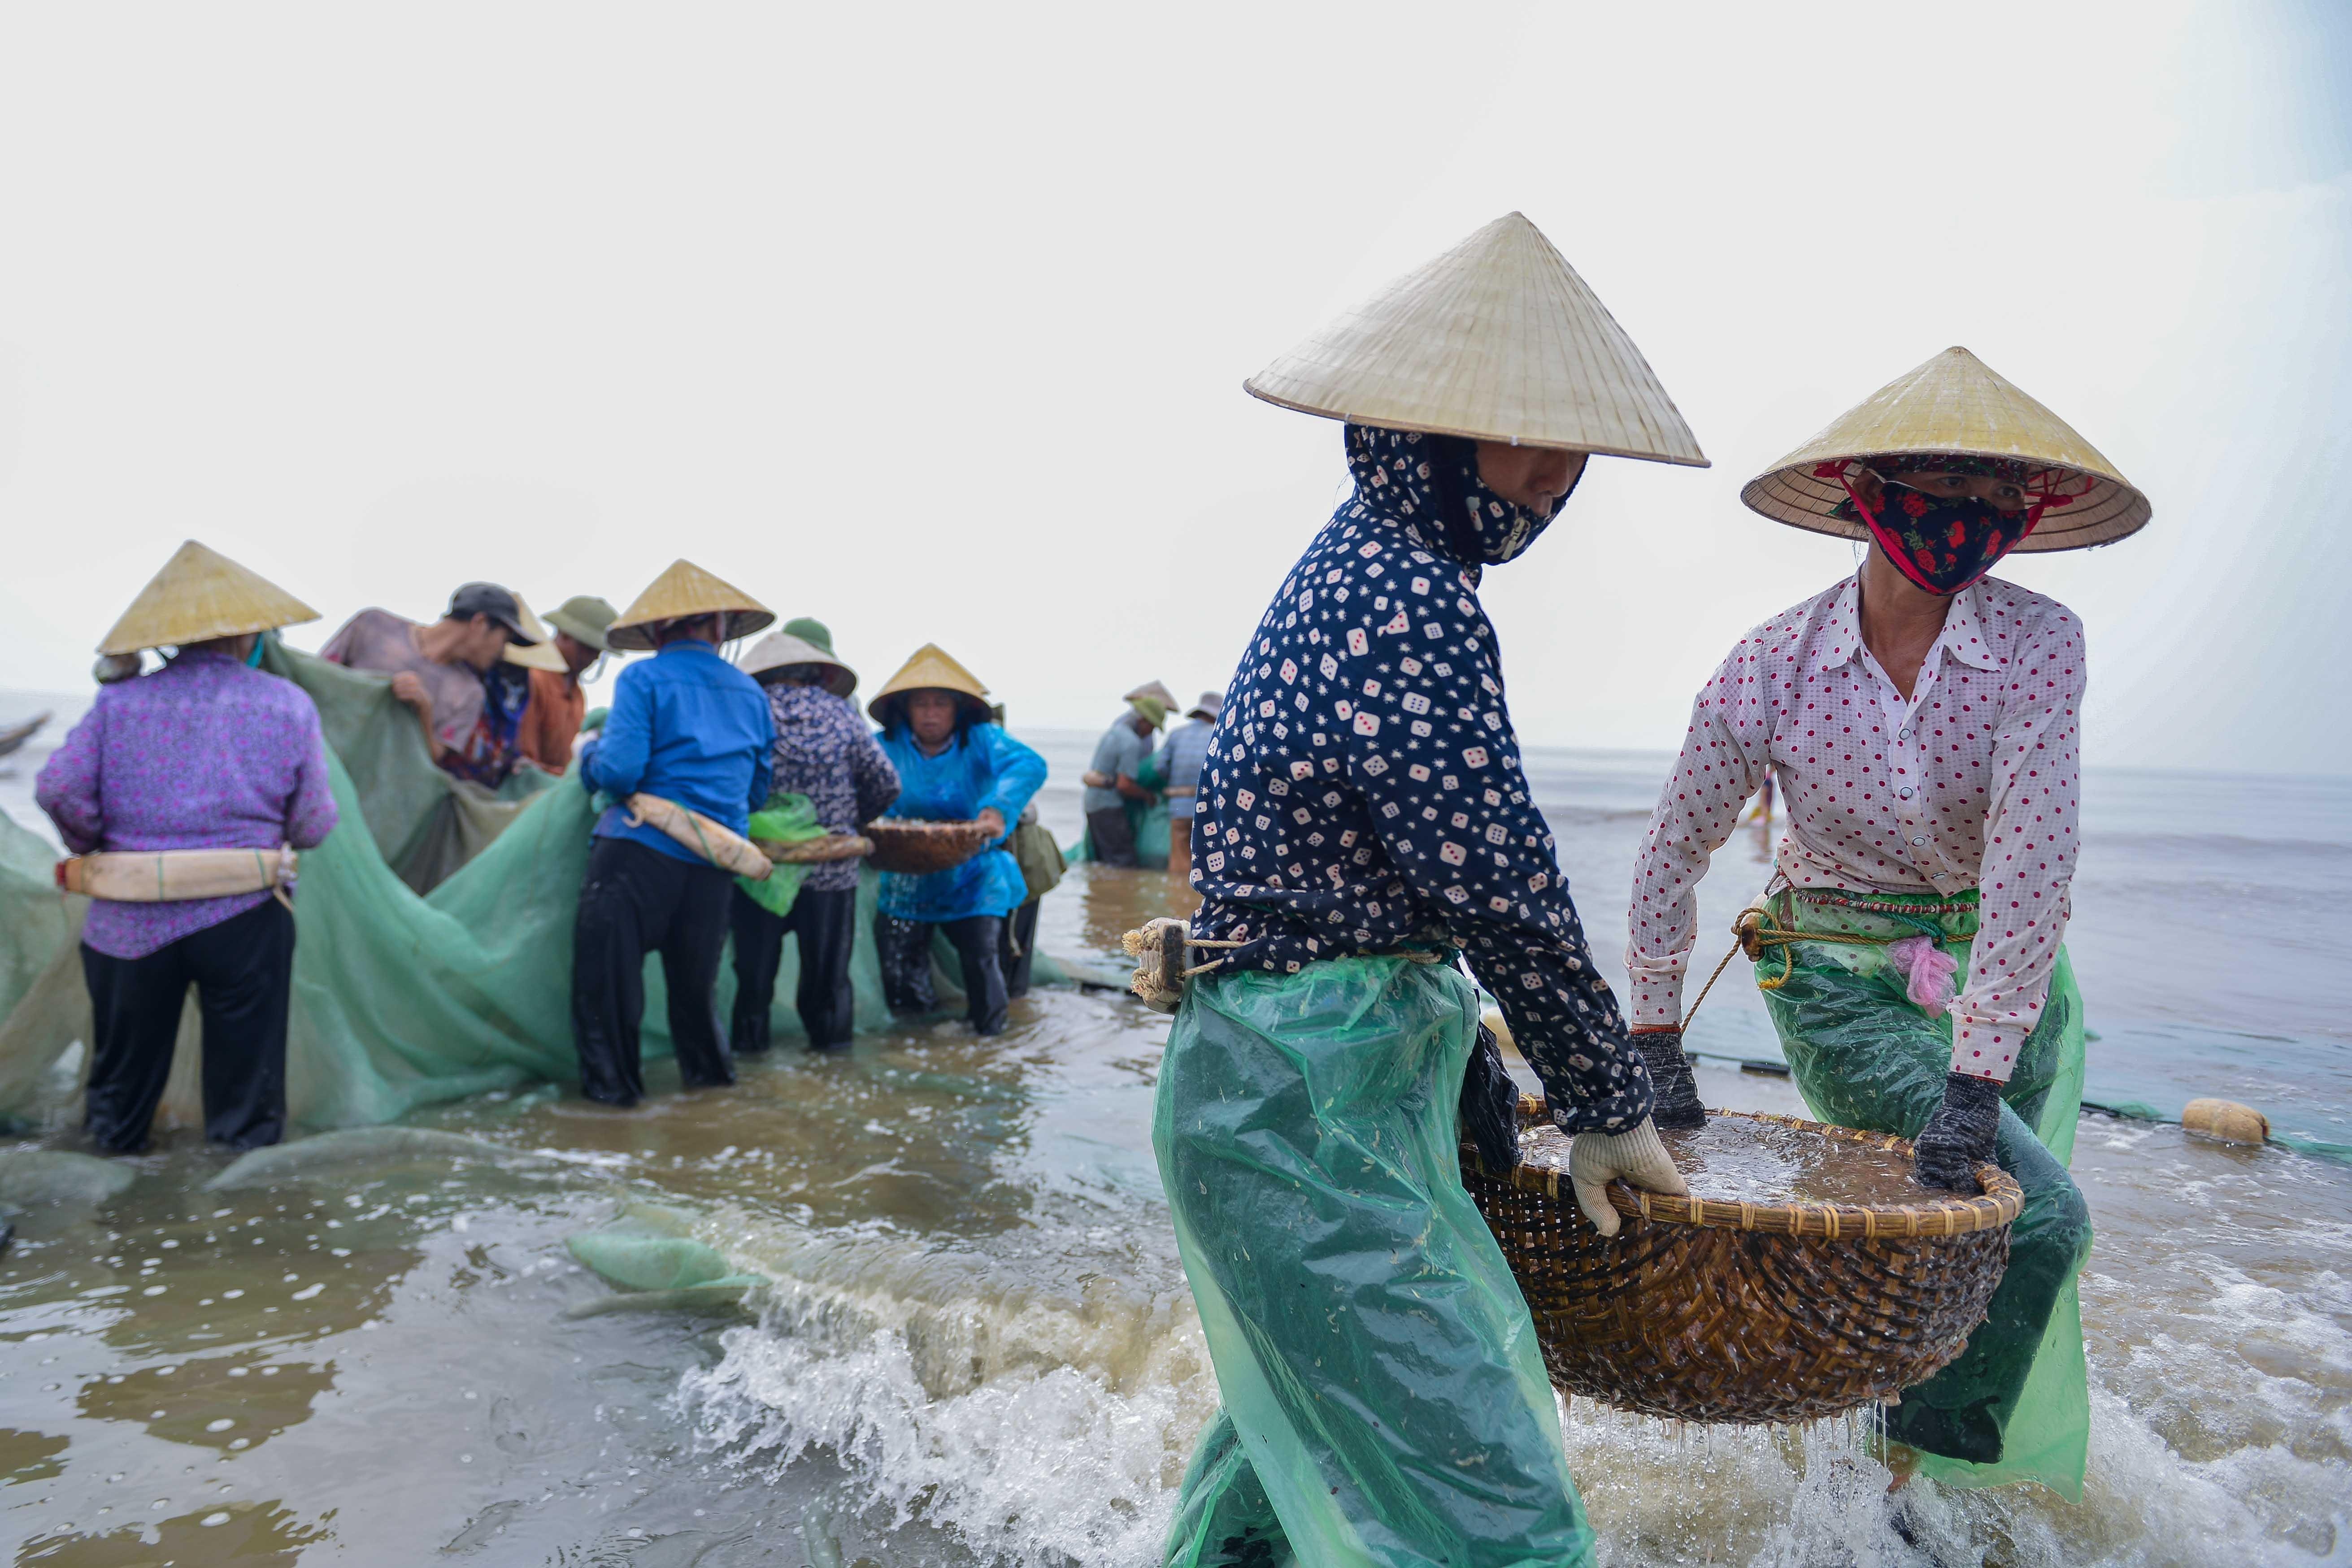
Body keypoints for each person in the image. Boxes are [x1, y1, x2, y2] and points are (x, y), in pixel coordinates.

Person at [1154, 213, 1708, 1568]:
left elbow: (1414, 891)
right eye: (1519, 436)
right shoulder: (1408, 598)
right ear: (1422, 433)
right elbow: (1498, 882)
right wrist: (1605, 1101)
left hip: (1279, 1097)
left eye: (1571, 447)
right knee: (1496, 1514)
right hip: (1301, 1114)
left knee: (1290, 1468)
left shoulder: (1357, 567)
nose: (1552, 476)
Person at [1626, 346, 2140, 1499]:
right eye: (1940, 486)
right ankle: (1898, 1480)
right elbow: (1672, 850)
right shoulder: (1771, 665)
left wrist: (1979, 1069)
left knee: (1974, 1249)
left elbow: (2032, 858)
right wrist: (1655, 1037)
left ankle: (1920, 1471)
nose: (1968, 513)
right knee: (2043, 1219)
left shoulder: (2038, 642)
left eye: (1997, 492)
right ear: (1865, 494)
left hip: (2002, 983)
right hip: (1837, 977)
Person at [37, 541, 338, 1153]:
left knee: (120, 1096)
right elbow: (312, 823)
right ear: (248, 633)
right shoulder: (287, 704)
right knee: (247, 1099)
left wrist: (94, 840)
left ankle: (119, 1193)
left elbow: (58, 788)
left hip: (129, 921)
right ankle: (236, 1198)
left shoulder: (118, 702)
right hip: (244, 912)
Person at [570, 560, 775, 1107]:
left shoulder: (642, 678)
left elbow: (620, 773)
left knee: (608, 989)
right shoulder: (751, 694)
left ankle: (613, 1115)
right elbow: (756, 794)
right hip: (713, 863)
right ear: (718, 627)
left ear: (658, 631)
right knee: (695, 995)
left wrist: (588, 756)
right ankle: (711, 1114)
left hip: (638, 853)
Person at [730, 620, 898, 1053]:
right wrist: (850, 821)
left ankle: (748, 1068)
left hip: (761, 870)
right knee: (829, 982)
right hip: (831, 868)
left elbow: (727, 784)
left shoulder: (747, 713)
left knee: (754, 980)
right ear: (817, 672)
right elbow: (886, 782)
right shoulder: (841, 714)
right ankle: (831, 1069)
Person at [866, 644, 1046, 1037]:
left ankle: (987, 1047)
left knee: (982, 961)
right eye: (921, 704)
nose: (930, 713)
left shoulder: (982, 739)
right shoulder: (884, 745)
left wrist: (997, 808)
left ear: (958, 709)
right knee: (899, 969)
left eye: (940, 704)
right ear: (905, 709)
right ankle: (916, 1046)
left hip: (973, 875)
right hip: (907, 877)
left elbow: (1029, 764)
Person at [321, 582, 548, 786]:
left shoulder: (469, 693)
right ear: (479, 623)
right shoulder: (374, 626)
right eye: (504, 640)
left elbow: (433, 758)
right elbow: (319, 679)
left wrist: (424, 710)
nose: (502, 652)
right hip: (324, 762)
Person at [514, 594, 617, 772]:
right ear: (564, 635)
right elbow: (525, 764)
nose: (594, 658)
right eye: (588, 648)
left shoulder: (577, 693)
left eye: (599, 652)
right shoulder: (534, 679)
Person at [1079, 681, 1170, 867]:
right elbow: (1124, 785)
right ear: (1144, 721)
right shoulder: (1131, 743)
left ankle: (1101, 885)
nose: (1151, 732)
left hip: (1092, 803)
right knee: (1123, 860)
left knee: (1103, 859)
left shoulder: (1114, 732)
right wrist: (1148, 796)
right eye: (1152, 727)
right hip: (1109, 806)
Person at [1152, 691, 1219, 886]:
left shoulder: (1176, 735)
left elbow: (1160, 768)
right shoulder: (1218, 735)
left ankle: (1177, 895)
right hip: (1209, 808)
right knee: (1208, 858)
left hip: (1179, 807)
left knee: (1180, 856)